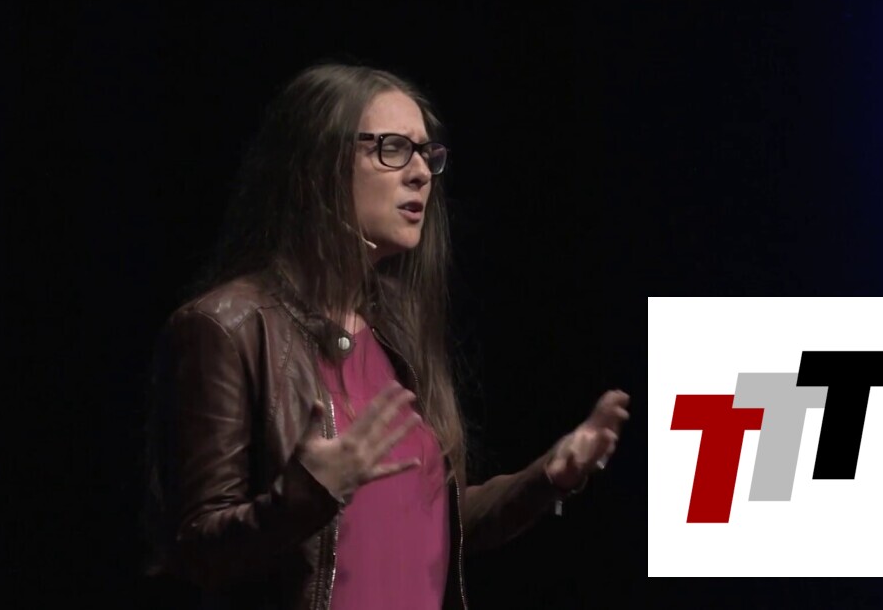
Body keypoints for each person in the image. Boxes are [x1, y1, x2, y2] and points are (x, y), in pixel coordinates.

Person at [143, 62, 631, 610]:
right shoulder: (224, 328)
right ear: (317, 165)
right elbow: (195, 552)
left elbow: (427, 525)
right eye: (393, 148)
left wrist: (547, 477)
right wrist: (306, 495)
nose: (421, 172)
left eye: (426, 153)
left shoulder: (395, 334)